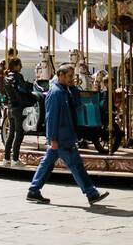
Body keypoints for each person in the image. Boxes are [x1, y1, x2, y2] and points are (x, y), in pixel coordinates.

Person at [27, 65, 108, 206]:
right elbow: (51, 117)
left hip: (65, 135)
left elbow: (76, 104)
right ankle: (91, 193)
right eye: (70, 76)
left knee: (48, 164)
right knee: (76, 165)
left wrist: (73, 88)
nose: (72, 79)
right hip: (61, 137)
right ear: (61, 75)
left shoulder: (66, 91)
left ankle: (34, 190)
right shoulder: (55, 93)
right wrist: (52, 138)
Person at [1, 53, 34, 166]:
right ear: (15, 66)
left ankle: (6, 159)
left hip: (10, 108)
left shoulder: (6, 77)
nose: (21, 67)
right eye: (20, 65)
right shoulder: (17, 76)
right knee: (19, 134)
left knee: (11, 134)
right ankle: (15, 159)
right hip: (19, 107)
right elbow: (23, 89)